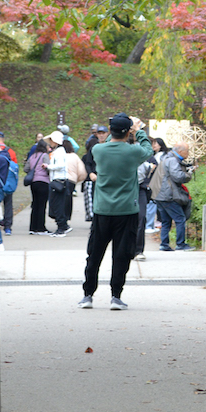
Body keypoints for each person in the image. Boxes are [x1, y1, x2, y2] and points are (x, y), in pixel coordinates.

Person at [79, 113, 153, 310]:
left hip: (102, 209)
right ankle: (116, 296)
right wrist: (139, 132)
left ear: (110, 131)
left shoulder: (98, 150)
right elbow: (147, 149)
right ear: (128, 132)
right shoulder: (133, 152)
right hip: (127, 210)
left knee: (94, 254)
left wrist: (128, 130)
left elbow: (109, 144)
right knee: (121, 254)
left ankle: (88, 295)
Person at [155, 140, 194, 252]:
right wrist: (189, 173)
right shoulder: (172, 160)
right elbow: (177, 176)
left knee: (166, 221)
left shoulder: (166, 157)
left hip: (160, 194)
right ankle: (180, 244)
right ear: (181, 151)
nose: (188, 153)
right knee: (180, 219)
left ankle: (164, 244)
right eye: (187, 151)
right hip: (168, 195)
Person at [133, 144, 160, 261]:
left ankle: (138, 250)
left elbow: (155, 167)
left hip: (141, 189)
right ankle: (126, 248)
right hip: (124, 189)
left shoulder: (144, 153)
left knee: (141, 218)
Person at [45, 131, 75, 236]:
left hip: (58, 181)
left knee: (57, 205)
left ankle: (61, 227)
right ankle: (63, 226)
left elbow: (61, 165)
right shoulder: (58, 151)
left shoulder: (59, 152)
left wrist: (48, 167)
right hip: (58, 181)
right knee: (57, 205)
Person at [25, 138, 52, 235]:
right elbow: (48, 168)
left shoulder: (32, 156)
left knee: (35, 205)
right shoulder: (44, 156)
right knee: (42, 205)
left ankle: (33, 227)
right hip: (43, 182)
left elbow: (26, 168)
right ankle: (41, 228)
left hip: (33, 183)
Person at [81, 124, 107, 222]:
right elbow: (87, 163)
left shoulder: (110, 147)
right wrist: (91, 173)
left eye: (103, 133)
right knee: (95, 201)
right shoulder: (94, 148)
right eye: (99, 133)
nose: (101, 135)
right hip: (95, 178)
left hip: (107, 178)